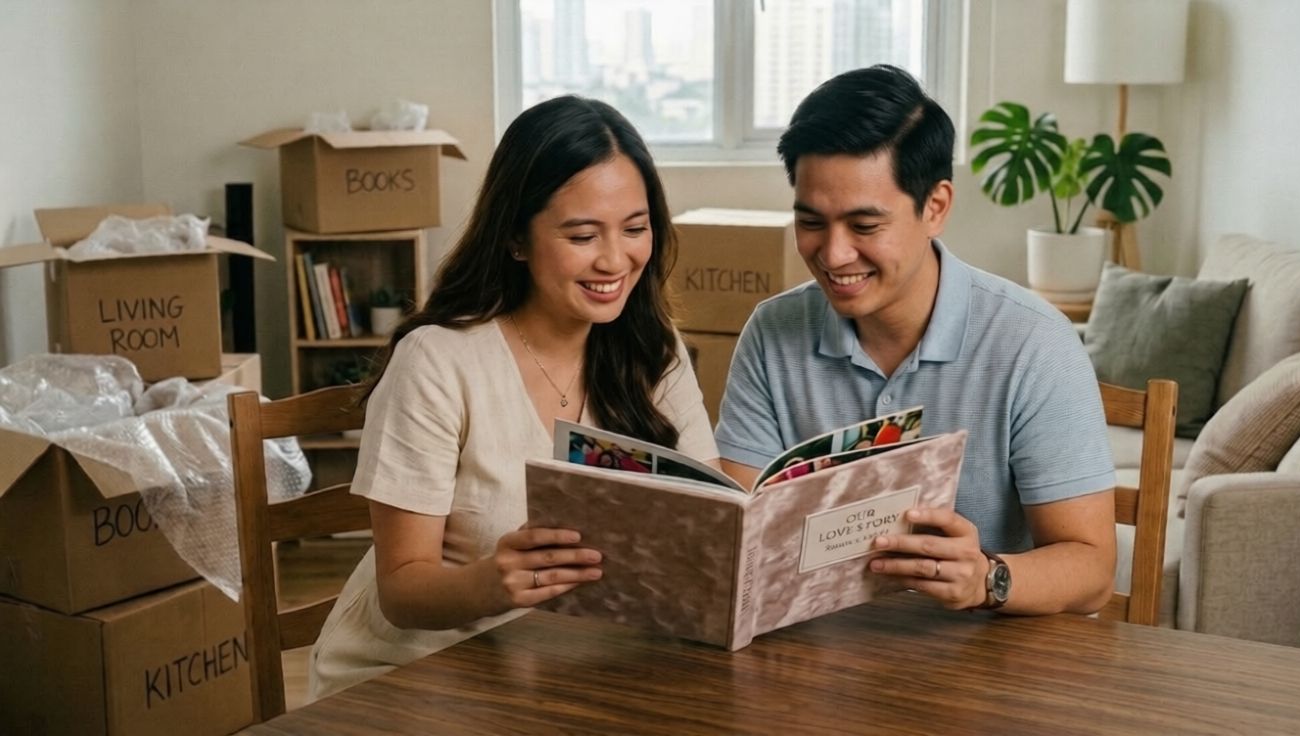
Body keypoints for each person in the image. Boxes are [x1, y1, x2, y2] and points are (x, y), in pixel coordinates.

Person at [310, 96, 718, 698]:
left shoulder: (652, 350)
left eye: (635, 229)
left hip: (570, 668)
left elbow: (708, 514)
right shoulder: (438, 360)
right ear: (517, 240)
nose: (616, 259)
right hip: (416, 678)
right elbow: (401, 591)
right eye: (582, 235)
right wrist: (491, 583)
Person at [715, 65, 1116, 616]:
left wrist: (987, 579)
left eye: (864, 226)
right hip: (814, 653)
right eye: (811, 221)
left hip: (984, 662)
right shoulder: (772, 333)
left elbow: (1093, 571)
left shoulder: (1033, 343)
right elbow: (741, 531)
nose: (833, 256)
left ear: (936, 207)